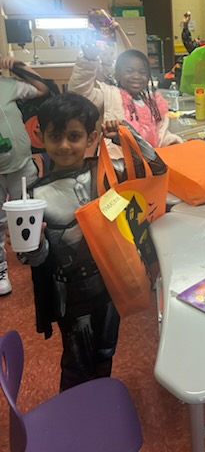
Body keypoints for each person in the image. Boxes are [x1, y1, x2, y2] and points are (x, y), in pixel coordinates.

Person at [18, 92, 167, 391]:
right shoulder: (34, 196)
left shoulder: (105, 175)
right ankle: (75, 418)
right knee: (76, 364)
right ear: (40, 136)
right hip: (70, 295)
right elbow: (36, 259)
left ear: (91, 137)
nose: (63, 145)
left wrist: (128, 134)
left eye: (73, 136)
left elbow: (155, 171)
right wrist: (32, 246)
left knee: (104, 352)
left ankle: (99, 405)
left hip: (109, 284)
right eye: (54, 136)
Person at [69, 47, 181, 159]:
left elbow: (160, 134)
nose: (136, 76)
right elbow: (80, 94)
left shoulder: (154, 103)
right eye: (129, 71)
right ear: (117, 75)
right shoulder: (109, 96)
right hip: (120, 165)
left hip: (151, 164)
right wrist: (87, 61)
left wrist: (171, 142)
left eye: (142, 72)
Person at [0, 56, 49, 296]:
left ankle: (37, 258)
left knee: (31, 213)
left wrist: (18, 66)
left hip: (21, 164)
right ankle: (0, 267)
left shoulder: (7, 84)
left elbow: (42, 88)